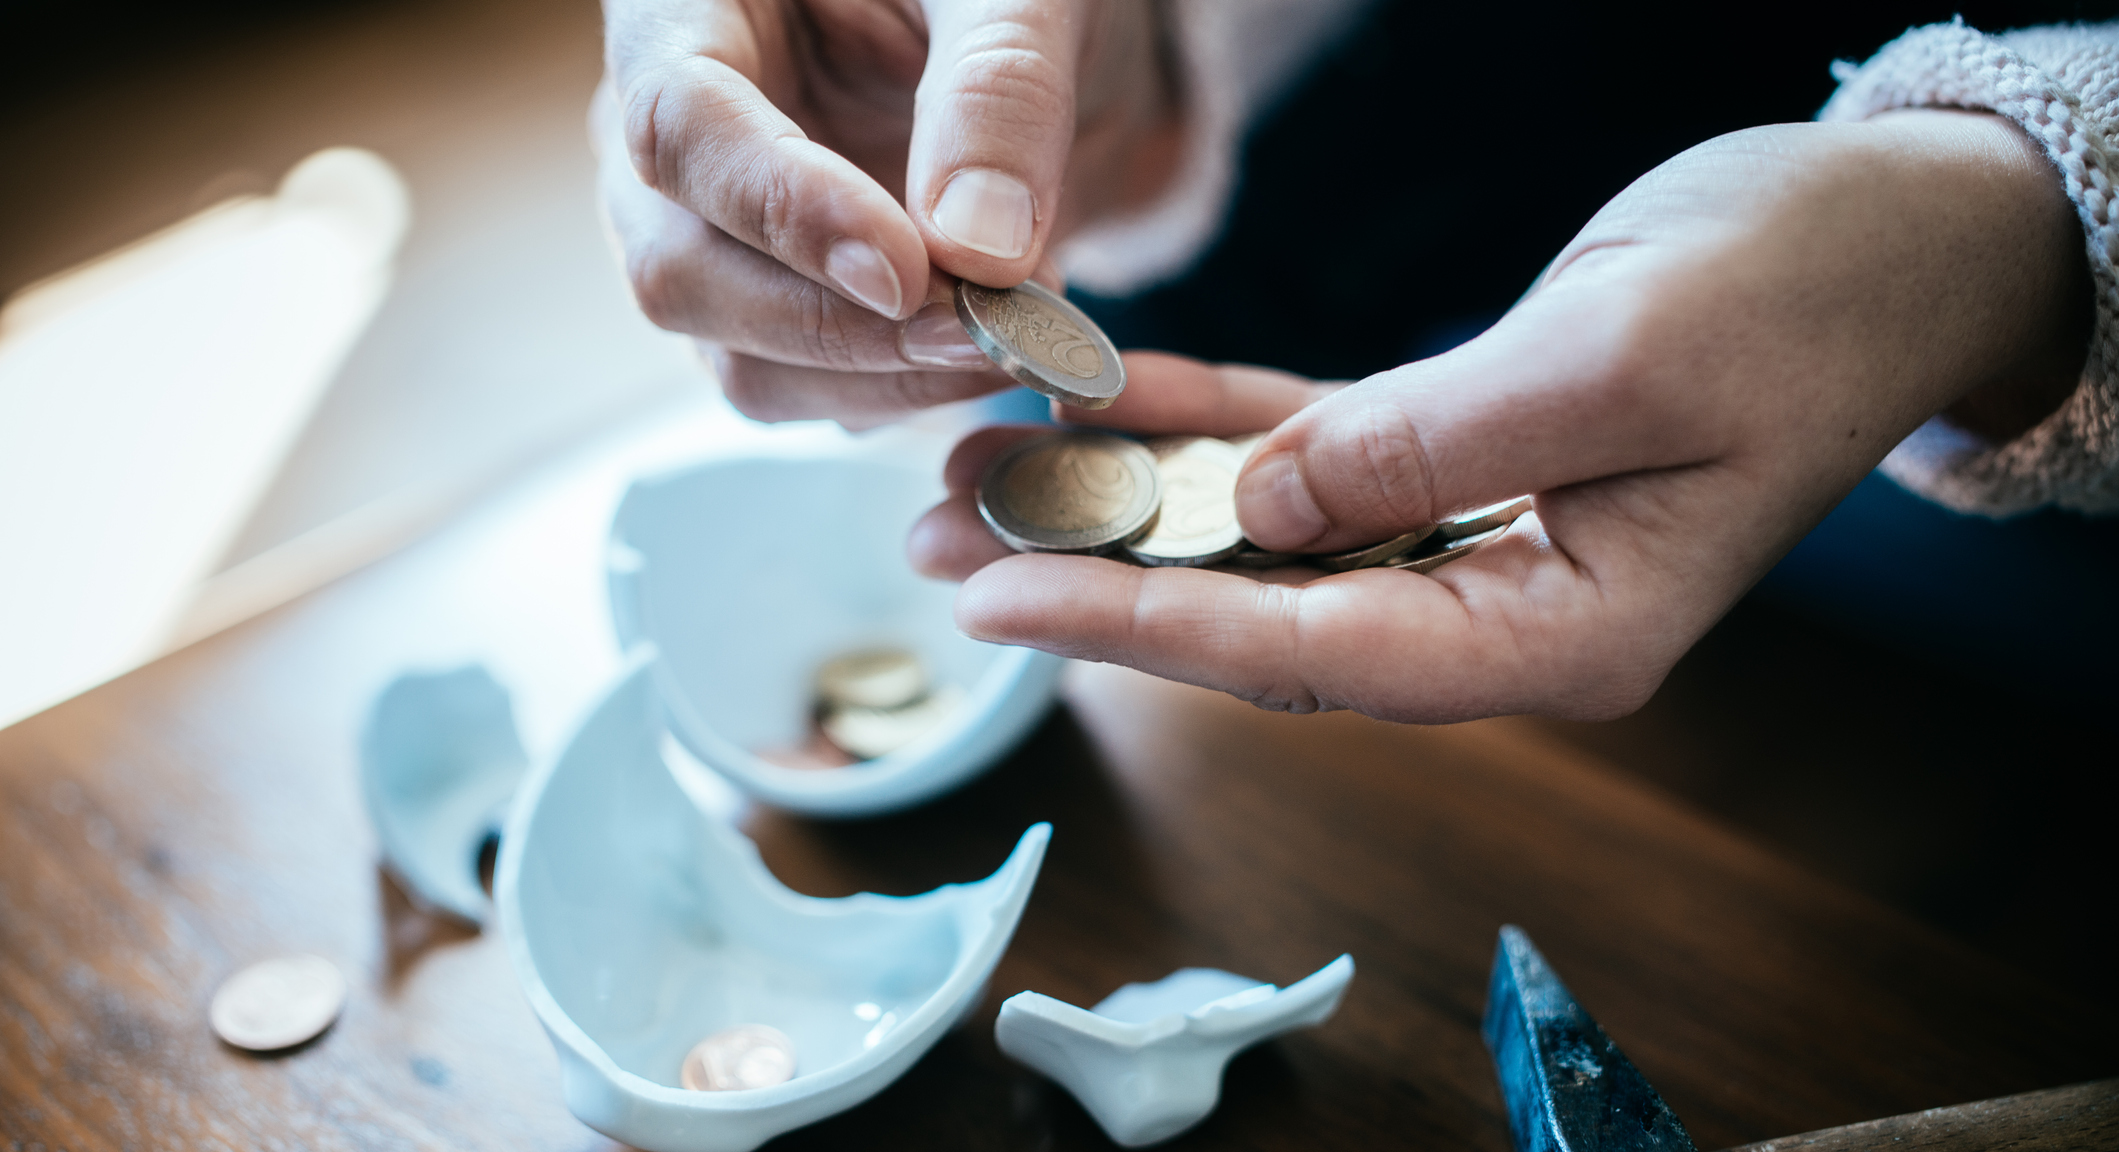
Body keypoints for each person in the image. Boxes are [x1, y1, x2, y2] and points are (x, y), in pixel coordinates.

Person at [596, 3, 2117, 722]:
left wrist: (2024, 226)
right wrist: (1150, 51)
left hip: (2001, 358)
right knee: (1007, 408)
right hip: (1382, 127)